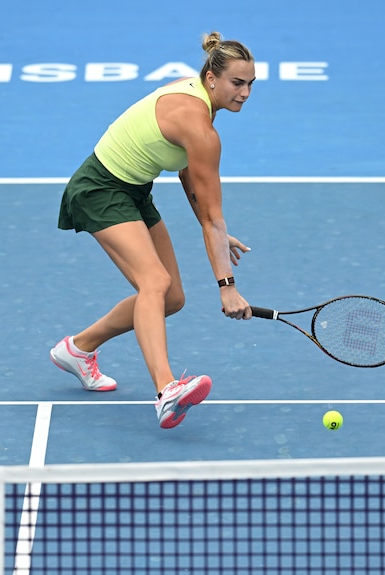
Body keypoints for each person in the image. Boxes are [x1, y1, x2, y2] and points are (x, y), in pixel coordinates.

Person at [51, 31, 256, 429]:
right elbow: (213, 216)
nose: (245, 93)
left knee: (171, 297)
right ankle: (166, 390)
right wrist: (227, 286)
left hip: (133, 192)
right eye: (237, 83)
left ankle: (78, 349)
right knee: (154, 283)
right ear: (212, 79)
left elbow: (189, 177)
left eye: (250, 84)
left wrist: (213, 229)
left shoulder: (202, 102)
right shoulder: (198, 125)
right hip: (99, 189)